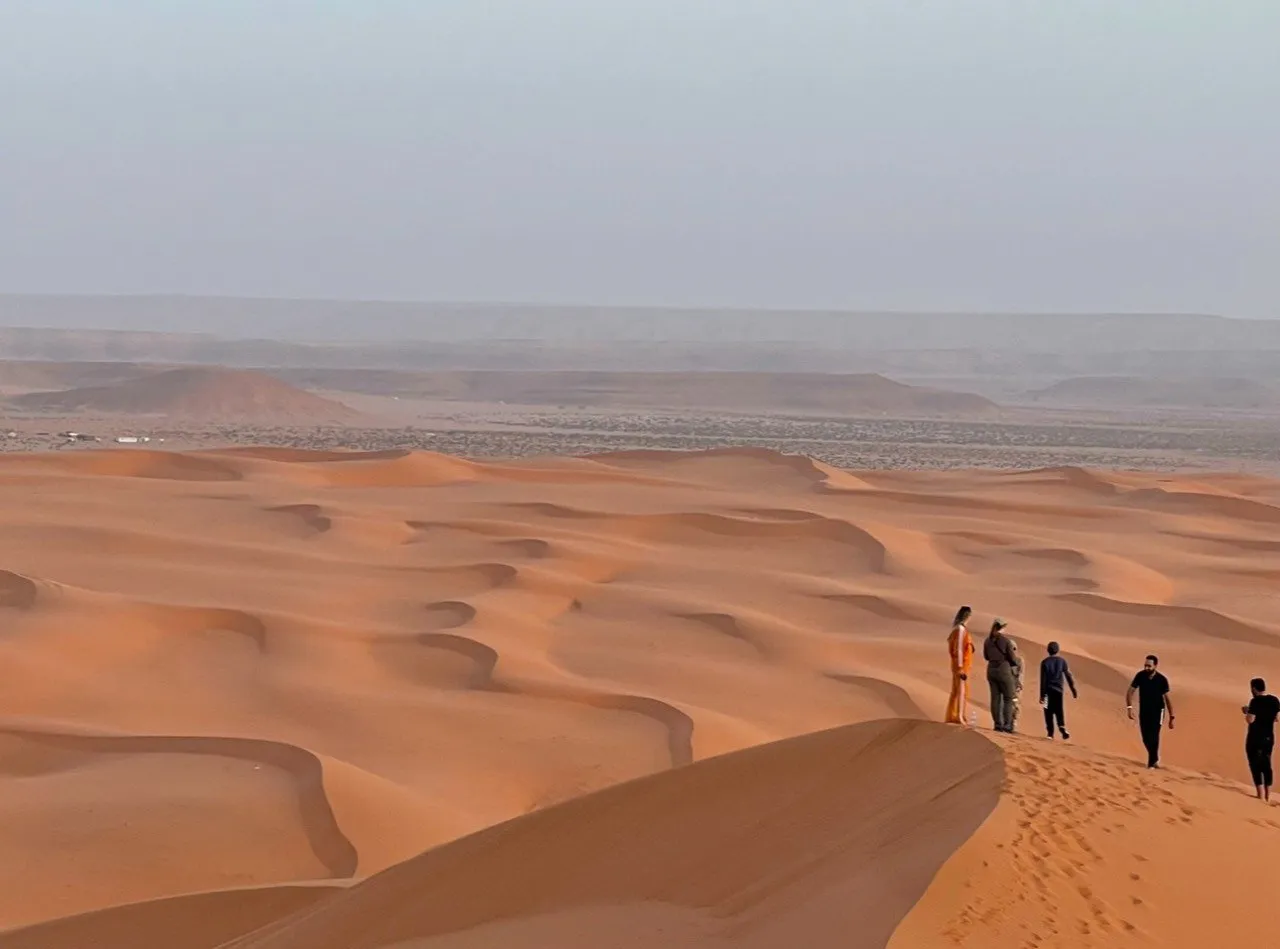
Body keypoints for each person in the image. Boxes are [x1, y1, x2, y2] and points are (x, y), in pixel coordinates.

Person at [1126, 655, 1174, 768]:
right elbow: (1130, 692)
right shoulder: (1140, 676)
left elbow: (1167, 699)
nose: (1146, 668)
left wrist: (1172, 717)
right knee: (1145, 737)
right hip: (1144, 710)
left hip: (1158, 711)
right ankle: (1154, 758)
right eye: (1145, 665)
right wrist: (1129, 708)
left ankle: (1151, 763)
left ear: (1155, 666)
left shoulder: (1162, 680)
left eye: (1149, 666)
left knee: (1154, 735)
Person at [1243, 677, 1280, 802]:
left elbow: (1250, 720)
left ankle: (1259, 794)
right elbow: (1276, 719)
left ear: (1254, 688)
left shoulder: (1255, 701)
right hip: (1269, 737)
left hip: (1255, 737)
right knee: (1266, 763)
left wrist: (1247, 711)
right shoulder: (1275, 700)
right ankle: (1268, 796)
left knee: (1255, 764)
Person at [983, 618, 1020, 733]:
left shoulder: (987, 641)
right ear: (1002, 627)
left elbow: (986, 656)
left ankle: (997, 724)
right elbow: (1013, 659)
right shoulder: (1006, 641)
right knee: (1008, 698)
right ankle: (1007, 724)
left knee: (995, 698)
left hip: (991, 670)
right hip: (1003, 670)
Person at [1039, 641, 1078, 740]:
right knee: (1059, 710)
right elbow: (1068, 675)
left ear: (1048, 650)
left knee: (1047, 712)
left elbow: (1042, 680)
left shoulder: (1044, 662)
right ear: (1058, 650)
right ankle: (1062, 726)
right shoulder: (1062, 661)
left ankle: (1050, 733)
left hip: (1047, 692)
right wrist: (1073, 689)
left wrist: (1042, 696)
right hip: (1058, 691)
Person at [945, 606, 975, 724]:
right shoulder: (960, 630)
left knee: (956, 691)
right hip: (961, 667)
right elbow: (959, 650)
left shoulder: (957, 630)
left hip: (959, 666)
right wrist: (961, 667)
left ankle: (953, 715)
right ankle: (959, 716)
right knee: (961, 692)